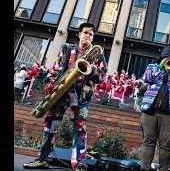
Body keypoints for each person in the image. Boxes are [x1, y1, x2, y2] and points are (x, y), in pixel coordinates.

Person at [23, 22, 107, 171]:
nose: (88, 36)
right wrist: (49, 82)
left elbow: (101, 77)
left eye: (91, 34)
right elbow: (55, 69)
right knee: (51, 125)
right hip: (61, 92)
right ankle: (43, 158)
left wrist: (92, 67)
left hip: (82, 95)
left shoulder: (97, 54)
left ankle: (79, 163)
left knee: (80, 127)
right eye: (85, 33)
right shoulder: (66, 48)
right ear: (79, 34)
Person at [139, 46, 170, 171]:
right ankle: (144, 168)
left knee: (166, 146)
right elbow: (146, 78)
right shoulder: (152, 67)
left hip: (169, 114)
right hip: (150, 111)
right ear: (161, 59)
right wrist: (159, 68)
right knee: (148, 142)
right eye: (165, 58)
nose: (167, 61)